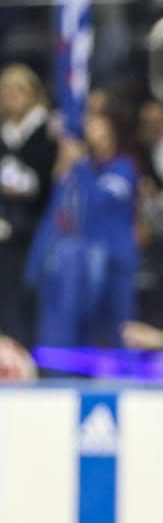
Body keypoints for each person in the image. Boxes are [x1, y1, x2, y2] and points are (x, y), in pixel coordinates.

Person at [24, 99, 139, 350]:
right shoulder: (80, 170)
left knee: (116, 334)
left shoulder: (123, 168)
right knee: (72, 334)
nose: (89, 126)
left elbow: (100, 201)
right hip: (81, 268)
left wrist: (78, 164)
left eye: (96, 120)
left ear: (111, 127)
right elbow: (57, 215)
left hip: (115, 266)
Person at [0, 63, 55, 348]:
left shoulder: (47, 132)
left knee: (28, 295)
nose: (9, 97)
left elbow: (42, 182)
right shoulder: (4, 134)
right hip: (6, 227)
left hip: (37, 228)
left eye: (17, 90)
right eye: (5, 91)